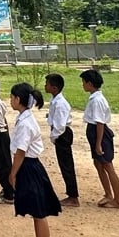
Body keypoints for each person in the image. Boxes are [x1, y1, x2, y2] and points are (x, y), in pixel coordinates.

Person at [8, 83, 61, 237]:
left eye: (12, 97)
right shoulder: (25, 118)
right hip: (30, 166)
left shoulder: (25, 123)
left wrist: (12, 173)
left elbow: (21, 152)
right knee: (37, 214)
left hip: (28, 167)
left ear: (18, 99)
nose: (10, 100)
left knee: (39, 214)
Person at [81, 69, 119, 209]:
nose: (82, 85)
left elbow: (100, 123)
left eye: (84, 82)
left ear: (90, 83)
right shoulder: (94, 98)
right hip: (95, 133)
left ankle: (118, 200)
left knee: (107, 165)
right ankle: (108, 194)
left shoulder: (97, 100)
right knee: (98, 164)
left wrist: (98, 143)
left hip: (99, 134)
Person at [44, 73, 79, 207]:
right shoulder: (55, 101)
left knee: (67, 165)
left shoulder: (60, 104)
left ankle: (73, 197)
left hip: (62, 135)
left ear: (54, 88)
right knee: (64, 164)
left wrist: (53, 137)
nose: (45, 86)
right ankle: (71, 194)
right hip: (60, 134)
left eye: (47, 84)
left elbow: (59, 126)